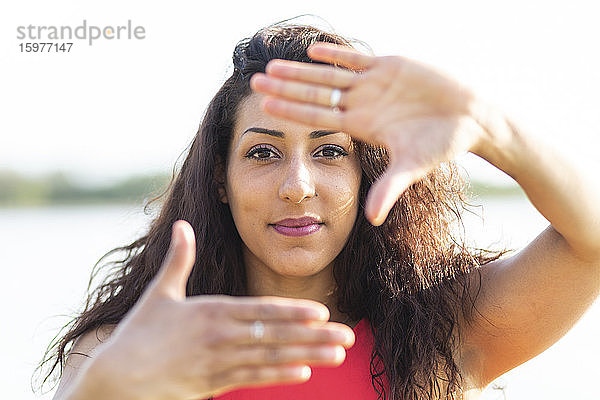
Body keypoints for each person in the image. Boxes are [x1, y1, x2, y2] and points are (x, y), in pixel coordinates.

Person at [40, 22, 600, 400]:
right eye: (263, 152)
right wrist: (110, 386)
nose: (297, 186)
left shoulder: (441, 334)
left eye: (331, 151)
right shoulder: (129, 348)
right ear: (219, 179)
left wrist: (493, 130)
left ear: (366, 174)